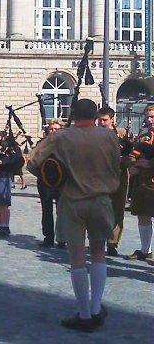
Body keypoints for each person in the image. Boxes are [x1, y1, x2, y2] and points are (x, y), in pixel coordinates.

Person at [28, 99, 120, 332]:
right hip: (101, 199)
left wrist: (53, 174)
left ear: (73, 115)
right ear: (95, 115)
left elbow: (32, 162)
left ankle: (84, 313)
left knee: (77, 256)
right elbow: (116, 164)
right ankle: (96, 306)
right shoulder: (109, 137)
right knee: (98, 252)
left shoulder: (61, 137)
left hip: (72, 199)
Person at [97, 107, 131, 257]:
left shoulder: (122, 136)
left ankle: (112, 243)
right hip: (99, 178)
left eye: (104, 120)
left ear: (112, 120)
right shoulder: (94, 136)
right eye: (99, 120)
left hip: (119, 177)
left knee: (117, 211)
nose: (101, 122)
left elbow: (131, 154)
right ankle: (97, 241)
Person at [125, 104, 154, 264]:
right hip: (142, 182)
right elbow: (132, 155)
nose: (150, 120)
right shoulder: (143, 137)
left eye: (153, 117)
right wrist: (133, 165)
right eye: (148, 117)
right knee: (143, 216)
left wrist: (148, 164)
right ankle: (145, 251)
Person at [36, 119, 66, 248]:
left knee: (62, 211)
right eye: (51, 129)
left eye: (56, 129)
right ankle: (48, 237)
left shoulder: (67, 145)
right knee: (46, 210)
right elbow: (34, 161)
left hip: (62, 182)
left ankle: (62, 238)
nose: (53, 131)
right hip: (45, 181)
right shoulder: (41, 144)